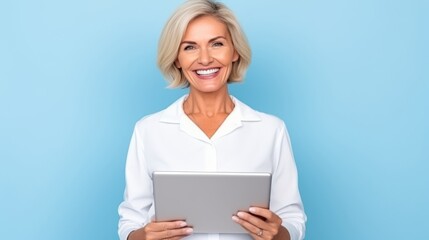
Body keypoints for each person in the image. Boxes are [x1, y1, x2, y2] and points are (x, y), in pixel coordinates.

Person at [118, 0, 306, 239]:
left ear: (234, 51)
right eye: (189, 47)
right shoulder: (148, 130)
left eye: (216, 44)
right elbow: (130, 222)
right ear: (177, 59)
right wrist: (144, 236)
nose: (205, 59)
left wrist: (277, 233)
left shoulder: (271, 130)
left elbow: (292, 218)